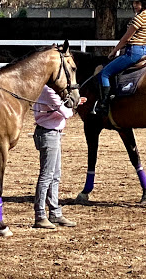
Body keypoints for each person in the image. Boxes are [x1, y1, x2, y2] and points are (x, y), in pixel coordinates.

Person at [93, 0, 146, 115]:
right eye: (133, 2)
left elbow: (126, 39)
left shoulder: (139, 18)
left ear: (143, 2)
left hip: (133, 52)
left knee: (104, 73)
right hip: (145, 51)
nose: (134, 5)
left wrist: (113, 51)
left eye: (137, 2)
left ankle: (104, 104)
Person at [33, 85, 87, 229]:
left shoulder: (48, 90)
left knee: (55, 175)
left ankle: (55, 213)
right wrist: (75, 105)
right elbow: (66, 112)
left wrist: (75, 102)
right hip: (48, 134)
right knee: (47, 175)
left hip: (53, 133)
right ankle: (40, 215)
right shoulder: (49, 91)